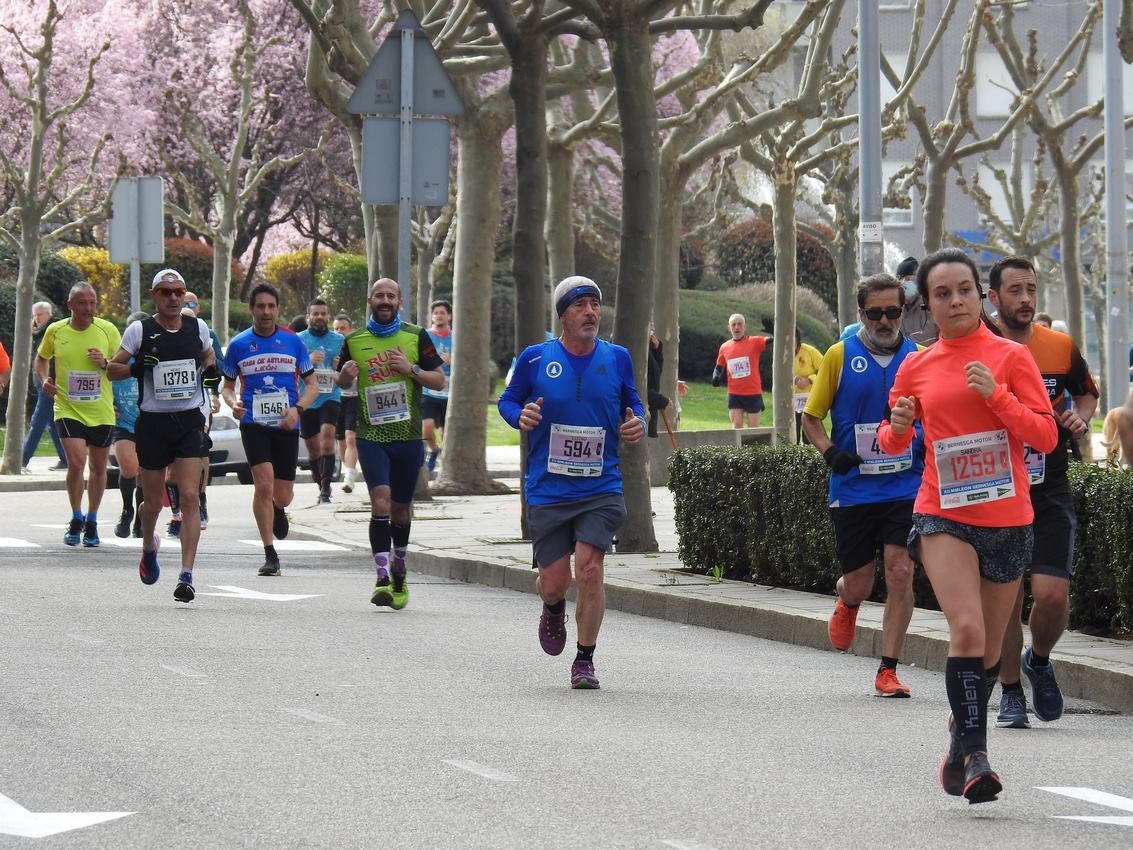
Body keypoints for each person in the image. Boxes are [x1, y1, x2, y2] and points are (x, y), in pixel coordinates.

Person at [877, 248, 1058, 804]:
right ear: (926, 305)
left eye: (963, 290)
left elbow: (1046, 438)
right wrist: (900, 426)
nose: (954, 301)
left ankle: (959, 733)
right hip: (942, 512)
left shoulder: (1009, 357)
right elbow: (890, 441)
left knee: (984, 654)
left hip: (1006, 518)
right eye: (941, 294)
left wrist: (996, 396)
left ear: (980, 295)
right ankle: (979, 755)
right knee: (968, 630)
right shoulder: (917, 364)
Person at [497, 276, 646, 689]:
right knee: (555, 582)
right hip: (548, 488)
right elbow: (508, 401)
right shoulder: (534, 358)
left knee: (592, 570)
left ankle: (585, 659)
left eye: (595, 305)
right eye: (580, 305)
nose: (590, 312)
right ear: (563, 315)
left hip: (600, 486)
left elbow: (633, 402)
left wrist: (638, 421)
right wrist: (518, 416)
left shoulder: (617, 358)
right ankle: (551, 605)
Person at [986, 256, 1098, 728]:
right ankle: (1011, 691)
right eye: (1014, 290)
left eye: (1031, 289)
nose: (1026, 299)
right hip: (994, 483)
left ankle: (1039, 659)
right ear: (993, 298)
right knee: (1009, 597)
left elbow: (1085, 393)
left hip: (1048, 482)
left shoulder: (1058, 346)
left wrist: (1080, 417)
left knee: (1051, 596)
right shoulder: (979, 345)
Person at [802, 274, 922, 698]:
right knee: (860, 581)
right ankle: (847, 600)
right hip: (853, 487)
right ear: (861, 314)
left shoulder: (919, 358)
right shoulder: (839, 355)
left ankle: (887, 669)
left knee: (901, 572)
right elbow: (811, 418)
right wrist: (831, 452)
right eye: (876, 313)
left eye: (894, 311)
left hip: (905, 487)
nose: (886, 320)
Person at [108, 269, 217, 603]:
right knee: (152, 502)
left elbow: (208, 357)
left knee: (188, 496)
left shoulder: (197, 327)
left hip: (188, 420)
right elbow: (113, 369)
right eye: (165, 292)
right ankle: (148, 547)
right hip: (153, 423)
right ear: (154, 296)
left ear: (184, 295)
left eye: (178, 291)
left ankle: (186, 575)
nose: (172, 297)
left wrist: (210, 371)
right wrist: (138, 366)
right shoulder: (140, 330)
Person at [336, 278, 446, 609]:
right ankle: (382, 577)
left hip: (408, 436)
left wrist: (410, 369)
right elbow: (340, 379)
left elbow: (439, 380)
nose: (385, 300)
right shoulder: (354, 340)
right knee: (380, 502)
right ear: (370, 300)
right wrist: (346, 376)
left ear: (399, 302)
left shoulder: (415, 336)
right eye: (379, 296)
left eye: (391, 296)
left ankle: (400, 570)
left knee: (400, 509)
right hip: (371, 435)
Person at [222, 284, 319, 577]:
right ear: (252, 309)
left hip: (287, 424)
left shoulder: (293, 343)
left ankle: (279, 508)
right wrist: (233, 405)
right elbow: (227, 387)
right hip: (253, 424)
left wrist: (297, 409)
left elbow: (312, 385)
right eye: (260, 306)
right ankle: (269, 553)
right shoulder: (239, 345)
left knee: (284, 495)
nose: (266, 311)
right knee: (262, 484)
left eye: (271, 306)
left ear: (277, 309)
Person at [37, 283, 121, 546]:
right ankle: (76, 516)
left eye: (92, 302)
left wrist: (105, 363)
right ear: (70, 305)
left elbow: (122, 366)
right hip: (67, 407)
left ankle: (92, 520)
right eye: (82, 303)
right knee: (76, 463)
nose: (88, 308)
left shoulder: (107, 330)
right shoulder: (56, 330)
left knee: (98, 468)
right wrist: (43, 380)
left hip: (101, 410)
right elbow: (41, 359)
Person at [165, 292, 223, 535]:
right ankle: (176, 513)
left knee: (199, 454)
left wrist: (214, 394)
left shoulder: (207, 335)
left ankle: (200, 501)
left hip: (199, 405)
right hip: (167, 408)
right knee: (171, 468)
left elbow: (217, 368)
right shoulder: (163, 334)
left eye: (191, 304)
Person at [297, 299, 344, 504]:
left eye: (323, 313)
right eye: (315, 314)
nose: (319, 317)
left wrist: (339, 365)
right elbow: (290, 368)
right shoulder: (298, 340)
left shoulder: (339, 340)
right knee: (313, 448)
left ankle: (325, 487)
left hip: (330, 396)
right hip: (306, 398)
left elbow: (347, 369)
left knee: (327, 436)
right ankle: (320, 482)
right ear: (308, 317)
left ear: (328, 316)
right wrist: (307, 359)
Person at [110, 311, 148, 538]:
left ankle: (141, 520)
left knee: (145, 473)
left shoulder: (154, 358)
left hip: (150, 423)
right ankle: (127, 510)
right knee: (129, 468)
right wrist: (109, 404)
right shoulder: (117, 358)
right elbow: (103, 379)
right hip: (124, 423)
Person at [21, 301, 68, 471]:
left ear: (48, 314)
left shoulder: (52, 330)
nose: (36, 318)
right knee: (52, 423)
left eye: (39, 315)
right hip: (43, 382)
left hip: (49, 382)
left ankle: (22, 459)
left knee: (37, 421)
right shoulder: (40, 332)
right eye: (34, 315)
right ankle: (65, 459)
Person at [712, 313, 769, 428]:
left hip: (753, 393)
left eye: (739, 324)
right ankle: (738, 447)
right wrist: (716, 376)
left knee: (753, 431)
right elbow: (719, 366)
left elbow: (769, 340)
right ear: (729, 328)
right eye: (733, 325)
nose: (736, 327)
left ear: (745, 326)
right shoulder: (724, 347)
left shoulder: (754, 342)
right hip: (735, 394)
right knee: (736, 428)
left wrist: (773, 332)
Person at [421, 299, 453, 473]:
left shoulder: (456, 337)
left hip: (449, 394)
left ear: (449, 316)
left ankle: (446, 460)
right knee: (426, 428)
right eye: (436, 313)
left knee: (445, 432)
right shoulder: (426, 336)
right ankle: (433, 451)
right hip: (429, 391)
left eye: (442, 313)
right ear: (432, 317)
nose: (439, 316)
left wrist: (452, 361)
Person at [333, 313, 360, 493]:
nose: (339, 332)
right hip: (337, 399)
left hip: (355, 398)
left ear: (350, 329)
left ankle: (349, 475)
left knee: (351, 437)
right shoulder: (331, 347)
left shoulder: (357, 346)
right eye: (336, 328)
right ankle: (349, 468)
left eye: (343, 328)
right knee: (341, 440)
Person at [895, 256, 938, 345]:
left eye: (907, 279)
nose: (903, 283)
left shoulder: (931, 305)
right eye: (900, 279)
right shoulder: (895, 307)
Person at [792, 328, 823, 443]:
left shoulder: (810, 351)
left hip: (809, 401)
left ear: (797, 339)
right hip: (789, 404)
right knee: (792, 437)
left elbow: (824, 371)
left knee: (809, 437)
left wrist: (810, 380)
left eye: (793, 338)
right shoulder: (780, 353)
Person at [646, 326, 670, 439]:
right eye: (650, 323)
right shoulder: (636, 347)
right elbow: (639, 386)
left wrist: (657, 350)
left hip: (650, 412)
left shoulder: (649, 347)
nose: (653, 328)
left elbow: (655, 374)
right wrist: (661, 401)